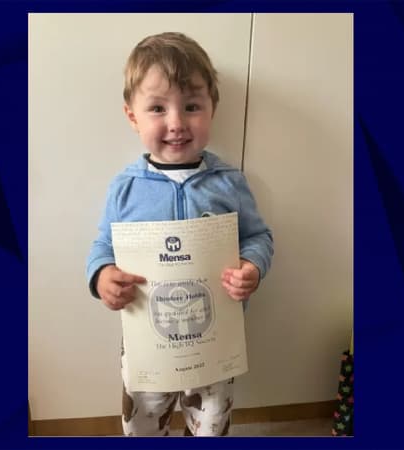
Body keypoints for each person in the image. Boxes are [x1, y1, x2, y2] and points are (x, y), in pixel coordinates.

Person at [86, 32, 274, 436]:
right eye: (157, 108)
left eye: (191, 106)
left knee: (211, 425)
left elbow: (258, 237)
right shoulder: (125, 188)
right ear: (132, 116)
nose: (176, 123)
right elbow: (103, 245)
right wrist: (101, 276)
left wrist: (252, 267)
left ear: (212, 108)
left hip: (214, 340)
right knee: (141, 423)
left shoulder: (229, 182)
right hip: (147, 341)